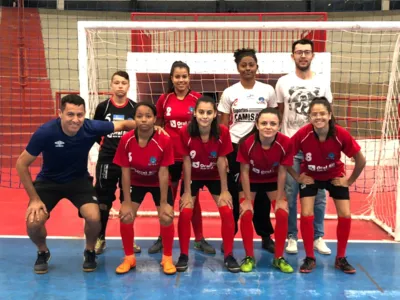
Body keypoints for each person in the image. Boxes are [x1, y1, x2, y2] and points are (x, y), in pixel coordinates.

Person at [16, 94, 137, 274]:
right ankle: (42, 251)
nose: (75, 119)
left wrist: (152, 127)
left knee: (94, 217)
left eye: (80, 115)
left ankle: (89, 251)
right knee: (33, 222)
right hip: (48, 182)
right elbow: (21, 163)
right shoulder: (46, 132)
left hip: (78, 181)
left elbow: (125, 124)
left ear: (85, 114)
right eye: (70, 114)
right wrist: (34, 199)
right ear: (60, 114)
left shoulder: (90, 127)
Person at [288, 97, 366, 273]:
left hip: (334, 176)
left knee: (345, 215)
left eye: (322, 113)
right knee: (307, 214)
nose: (318, 117)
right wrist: (297, 177)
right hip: (311, 176)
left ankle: (341, 258)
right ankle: (309, 257)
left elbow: (361, 160)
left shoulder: (340, 134)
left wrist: (349, 181)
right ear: (309, 117)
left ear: (329, 115)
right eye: (314, 114)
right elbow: (285, 157)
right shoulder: (303, 134)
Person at [276, 38, 333, 255]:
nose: (302, 56)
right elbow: (279, 114)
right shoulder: (282, 83)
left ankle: (318, 236)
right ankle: (292, 235)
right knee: (290, 194)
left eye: (306, 52)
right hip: (291, 146)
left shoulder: (322, 82)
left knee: (318, 195)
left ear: (312, 56)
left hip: (316, 149)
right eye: (298, 52)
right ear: (292, 56)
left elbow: (329, 115)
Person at [218, 48, 277, 253]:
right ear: (238, 68)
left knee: (261, 192)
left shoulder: (268, 91)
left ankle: (265, 234)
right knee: (236, 191)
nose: (247, 68)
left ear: (256, 67)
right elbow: (224, 127)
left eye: (251, 64)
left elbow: (274, 119)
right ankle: (232, 230)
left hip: (262, 147)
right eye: (243, 65)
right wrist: (224, 154)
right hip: (236, 146)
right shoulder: (229, 92)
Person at [153, 61, 215, 255]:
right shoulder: (164, 99)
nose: (181, 80)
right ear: (172, 78)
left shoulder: (198, 99)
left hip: (191, 157)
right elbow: (158, 125)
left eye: (184, 76)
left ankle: (199, 238)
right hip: (169, 158)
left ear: (190, 77)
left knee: (192, 200)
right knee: (167, 198)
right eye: (177, 76)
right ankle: (163, 237)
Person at [176, 96, 240, 273]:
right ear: (194, 113)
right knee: (186, 210)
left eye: (209, 112)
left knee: (227, 211)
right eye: (201, 112)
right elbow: (187, 161)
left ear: (214, 115)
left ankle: (228, 255)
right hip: (193, 176)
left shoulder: (222, 132)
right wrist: (187, 191)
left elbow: (221, 161)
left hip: (214, 176)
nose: (205, 116)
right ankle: (183, 255)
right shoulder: (185, 132)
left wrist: (225, 190)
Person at [113, 102, 176, 275]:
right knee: (125, 216)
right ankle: (129, 258)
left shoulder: (164, 139)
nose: (144, 120)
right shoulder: (126, 140)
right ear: (134, 119)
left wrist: (163, 202)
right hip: (135, 182)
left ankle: (167, 258)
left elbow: (164, 173)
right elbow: (124, 172)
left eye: (148, 116)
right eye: (139, 116)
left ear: (155, 119)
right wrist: (125, 202)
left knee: (166, 216)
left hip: (157, 182)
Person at [237, 108, 294, 273]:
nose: (268, 127)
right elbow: (245, 172)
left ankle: (278, 258)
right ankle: (249, 256)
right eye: (264, 123)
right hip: (251, 181)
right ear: (257, 125)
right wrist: (247, 200)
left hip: (272, 181)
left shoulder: (285, 143)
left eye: (273, 123)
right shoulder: (247, 143)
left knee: (282, 212)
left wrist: (281, 198)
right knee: (246, 213)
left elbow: (283, 172)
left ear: (279, 126)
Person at [93, 70, 141, 255]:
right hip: (107, 160)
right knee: (103, 201)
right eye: (116, 82)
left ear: (129, 86)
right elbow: (96, 132)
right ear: (111, 85)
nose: (120, 86)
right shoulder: (102, 108)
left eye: (123, 82)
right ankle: (100, 238)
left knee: (128, 201)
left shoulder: (135, 109)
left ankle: (128, 241)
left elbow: (140, 133)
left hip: (129, 162)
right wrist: (107, 146)